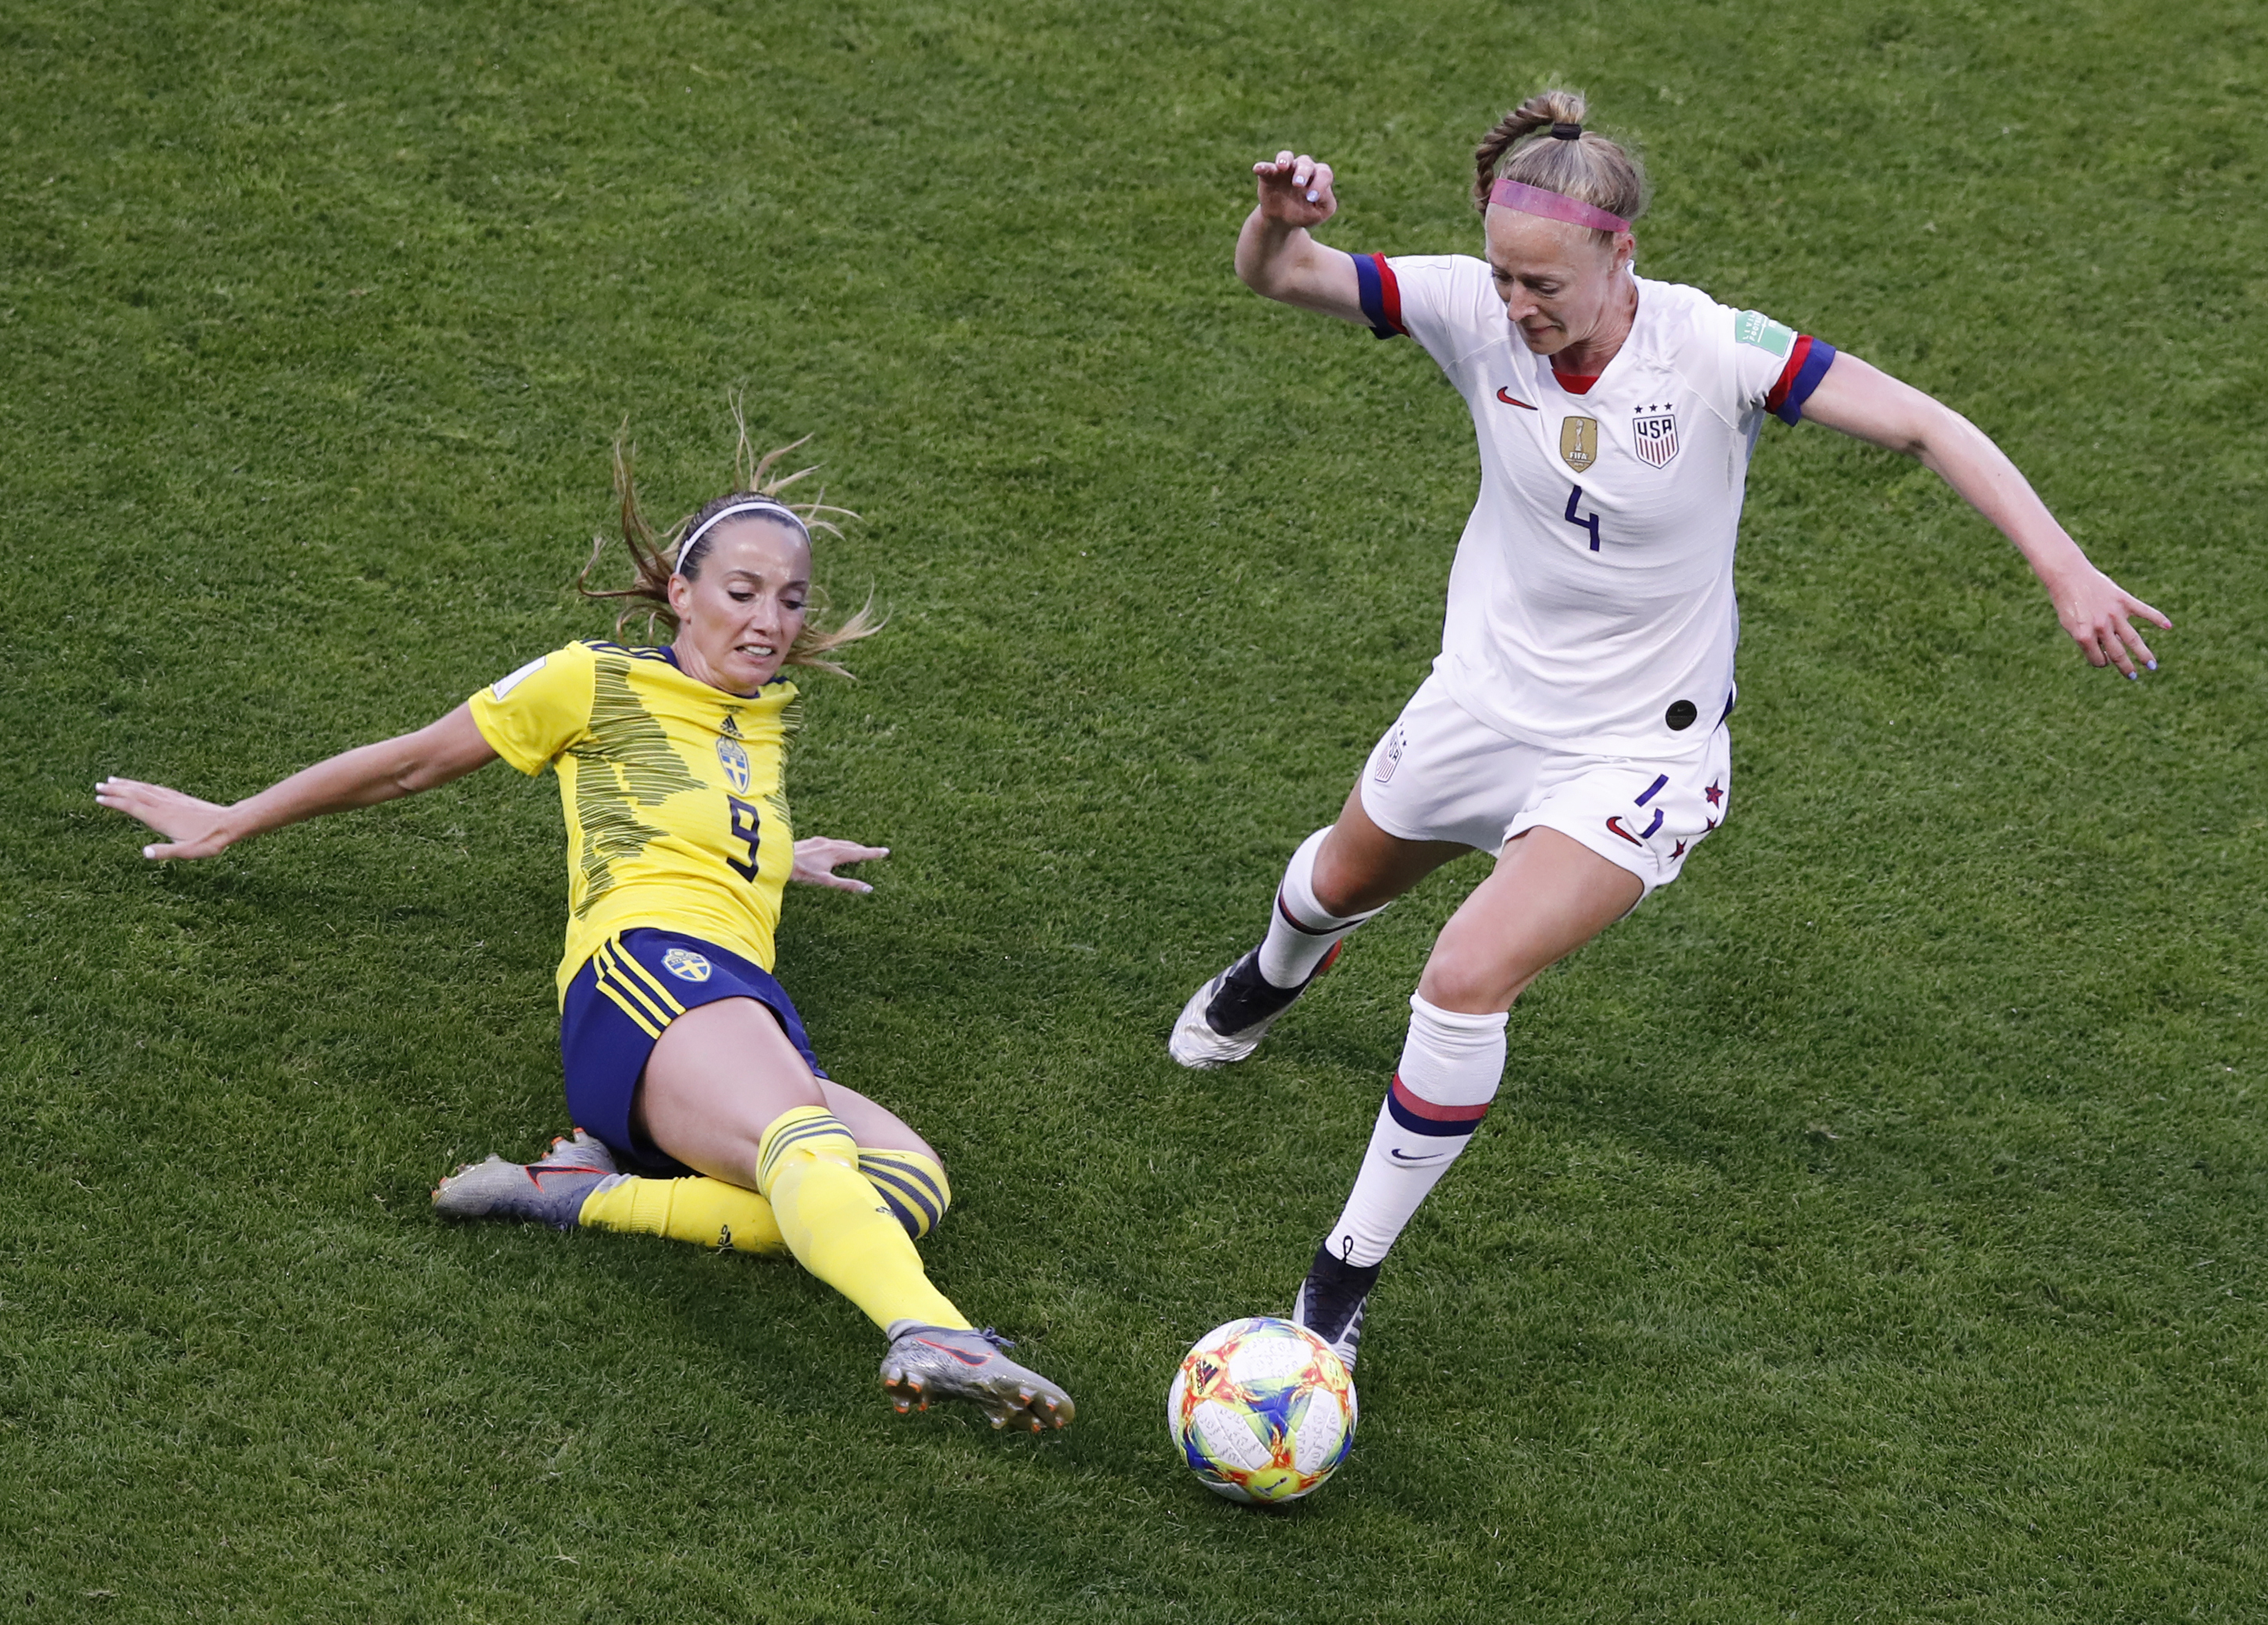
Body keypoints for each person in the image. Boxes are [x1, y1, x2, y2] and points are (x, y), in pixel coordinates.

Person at [1170, 90, 2168, 1376]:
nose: (1517, 309)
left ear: (1621, 254)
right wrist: (1270, 220)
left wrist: (2063, 567)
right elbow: (1283, 277)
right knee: (1332, 883)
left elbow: (1924, 422)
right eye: (1502, 279)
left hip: (1635, 751)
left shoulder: (1711, 352)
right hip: (1478, 701)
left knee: (1464, 976)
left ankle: (1332, 1293)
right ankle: (1268, 974)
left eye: (1543, 285)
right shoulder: (1475, 311)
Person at [96, 435, 1074, 1432]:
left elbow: (704, 819)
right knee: (805, 1148)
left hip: (736, 994)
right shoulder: (592, 679)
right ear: (682, 593)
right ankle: (932, 1327)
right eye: (742, 591)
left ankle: (579, 1194)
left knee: (906, 1188)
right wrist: (229, 817)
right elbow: (410, 765)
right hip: (644, 975)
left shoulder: (761, 715)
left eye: (790, 599)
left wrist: (778, 853)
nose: (770, 620)